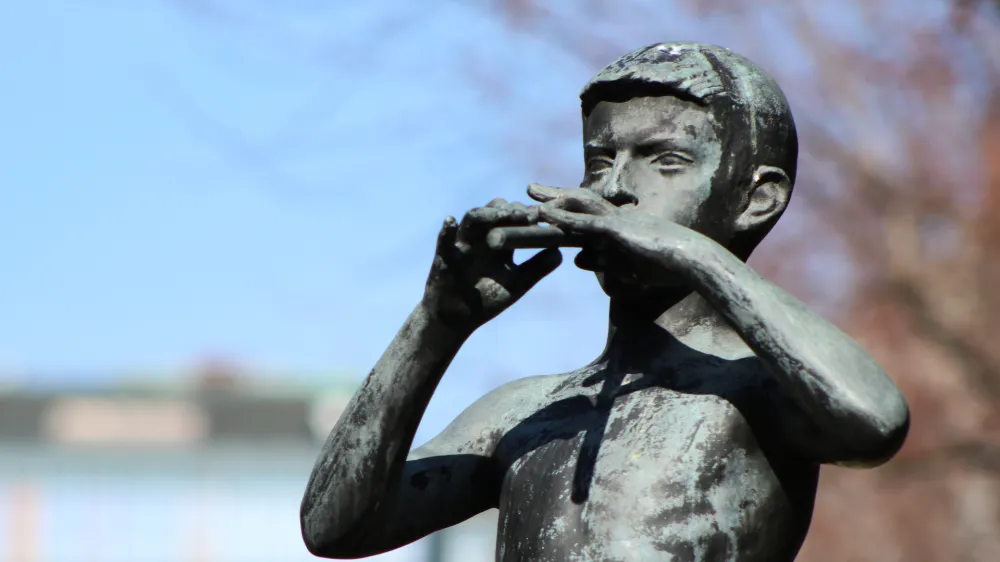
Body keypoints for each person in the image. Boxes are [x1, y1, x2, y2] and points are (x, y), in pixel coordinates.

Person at [299, 42, 909, 561]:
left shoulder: (757, 390)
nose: (614, 188)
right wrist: (434, 328)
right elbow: (333, 528)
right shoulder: (525, 410)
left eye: (665, 161)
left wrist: (687, 251)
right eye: (599, 161)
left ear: (757, 201)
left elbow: (875, 420)